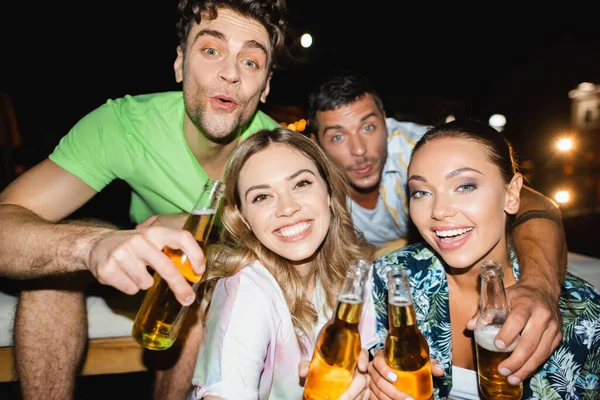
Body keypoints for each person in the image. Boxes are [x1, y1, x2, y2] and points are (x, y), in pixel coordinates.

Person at [0, 1, 289, 399]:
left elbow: (309, 262)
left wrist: (200, 233)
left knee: (207, 282)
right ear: (179, 62)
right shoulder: (125, 125)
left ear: (266, 86)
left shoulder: (282, 158)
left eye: (251, 61)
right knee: (57, 262)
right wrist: (93, 246)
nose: (230, 73)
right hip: (127, 274)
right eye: (210, 51)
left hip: (204, 293)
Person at [306, 69, 568, 384]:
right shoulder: (308, 181)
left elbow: (529, 201)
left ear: (386, 121)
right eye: (337, 136)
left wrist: (540, 285)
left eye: (369, 126)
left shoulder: (426, 149)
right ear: (315, 145)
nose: (359, 149)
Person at [368, 120, 600, 399]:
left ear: (512, 193)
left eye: (465, 186)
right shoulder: (389, 279)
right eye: (421, 192)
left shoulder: (584, 315)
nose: (439, 211)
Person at [187, 127, 378, 399]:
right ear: (243, 219)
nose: (287, 208)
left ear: (328, 192)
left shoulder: (357, 275)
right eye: (262, 197)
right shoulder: (245, 289)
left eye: (301, 183)